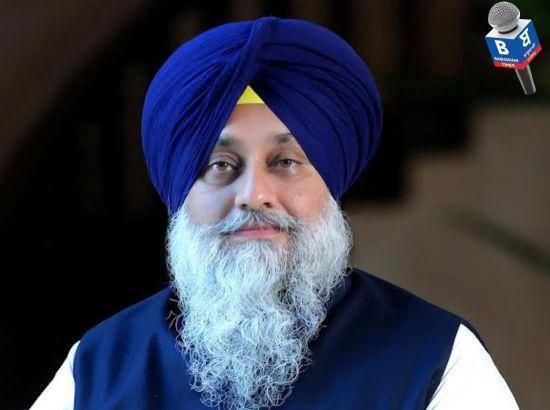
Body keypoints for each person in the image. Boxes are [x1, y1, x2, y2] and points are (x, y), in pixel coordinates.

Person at [31, 16, 519, 410]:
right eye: (220, 165)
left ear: (330, 183)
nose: (254, 194)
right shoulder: (97, 369)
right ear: (181, 194)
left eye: (285, 162)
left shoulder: (435, 358)